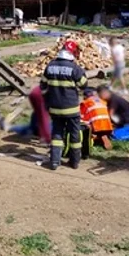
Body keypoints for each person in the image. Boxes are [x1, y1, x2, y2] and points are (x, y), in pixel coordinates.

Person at [41, 40, 88, 170]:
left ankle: (55, 161)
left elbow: (43, 86)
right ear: (72, 53)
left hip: (55, 108)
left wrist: (47, 100)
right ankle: (74, 162)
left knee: (57, 134)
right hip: (71, 109)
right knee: (74, 135)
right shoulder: (75, 68)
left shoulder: (50, 66)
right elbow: (84, 85)